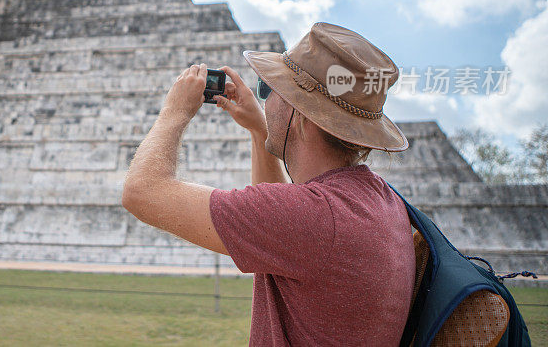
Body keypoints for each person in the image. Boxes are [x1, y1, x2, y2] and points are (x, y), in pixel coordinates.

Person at [121, 22, 416, 346]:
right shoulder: (378, 199)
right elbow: (282, 229)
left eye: (269, 88)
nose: (265, 99)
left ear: (300, 114)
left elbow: (142, 192)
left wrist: (174, 110)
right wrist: (261, 130)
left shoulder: (315, 217)